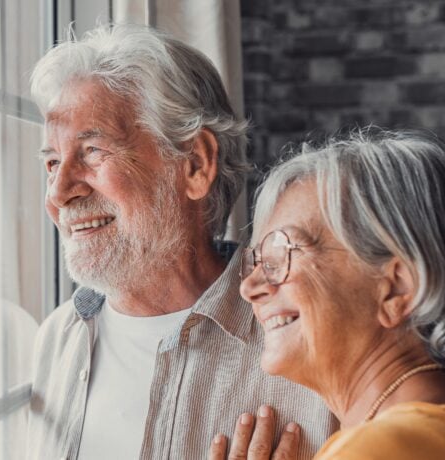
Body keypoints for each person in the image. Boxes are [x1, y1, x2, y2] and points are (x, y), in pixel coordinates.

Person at [25, 24, 335, 459]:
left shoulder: (309, 339)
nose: (58, 194)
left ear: (194, 165)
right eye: (52, 162)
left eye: (92, 151)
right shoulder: (58, 337)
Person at [211, 129, 445, 459]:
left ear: (397, 288)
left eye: (280, 255)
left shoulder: (378, 449)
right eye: (256, 262)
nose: (249, 287)